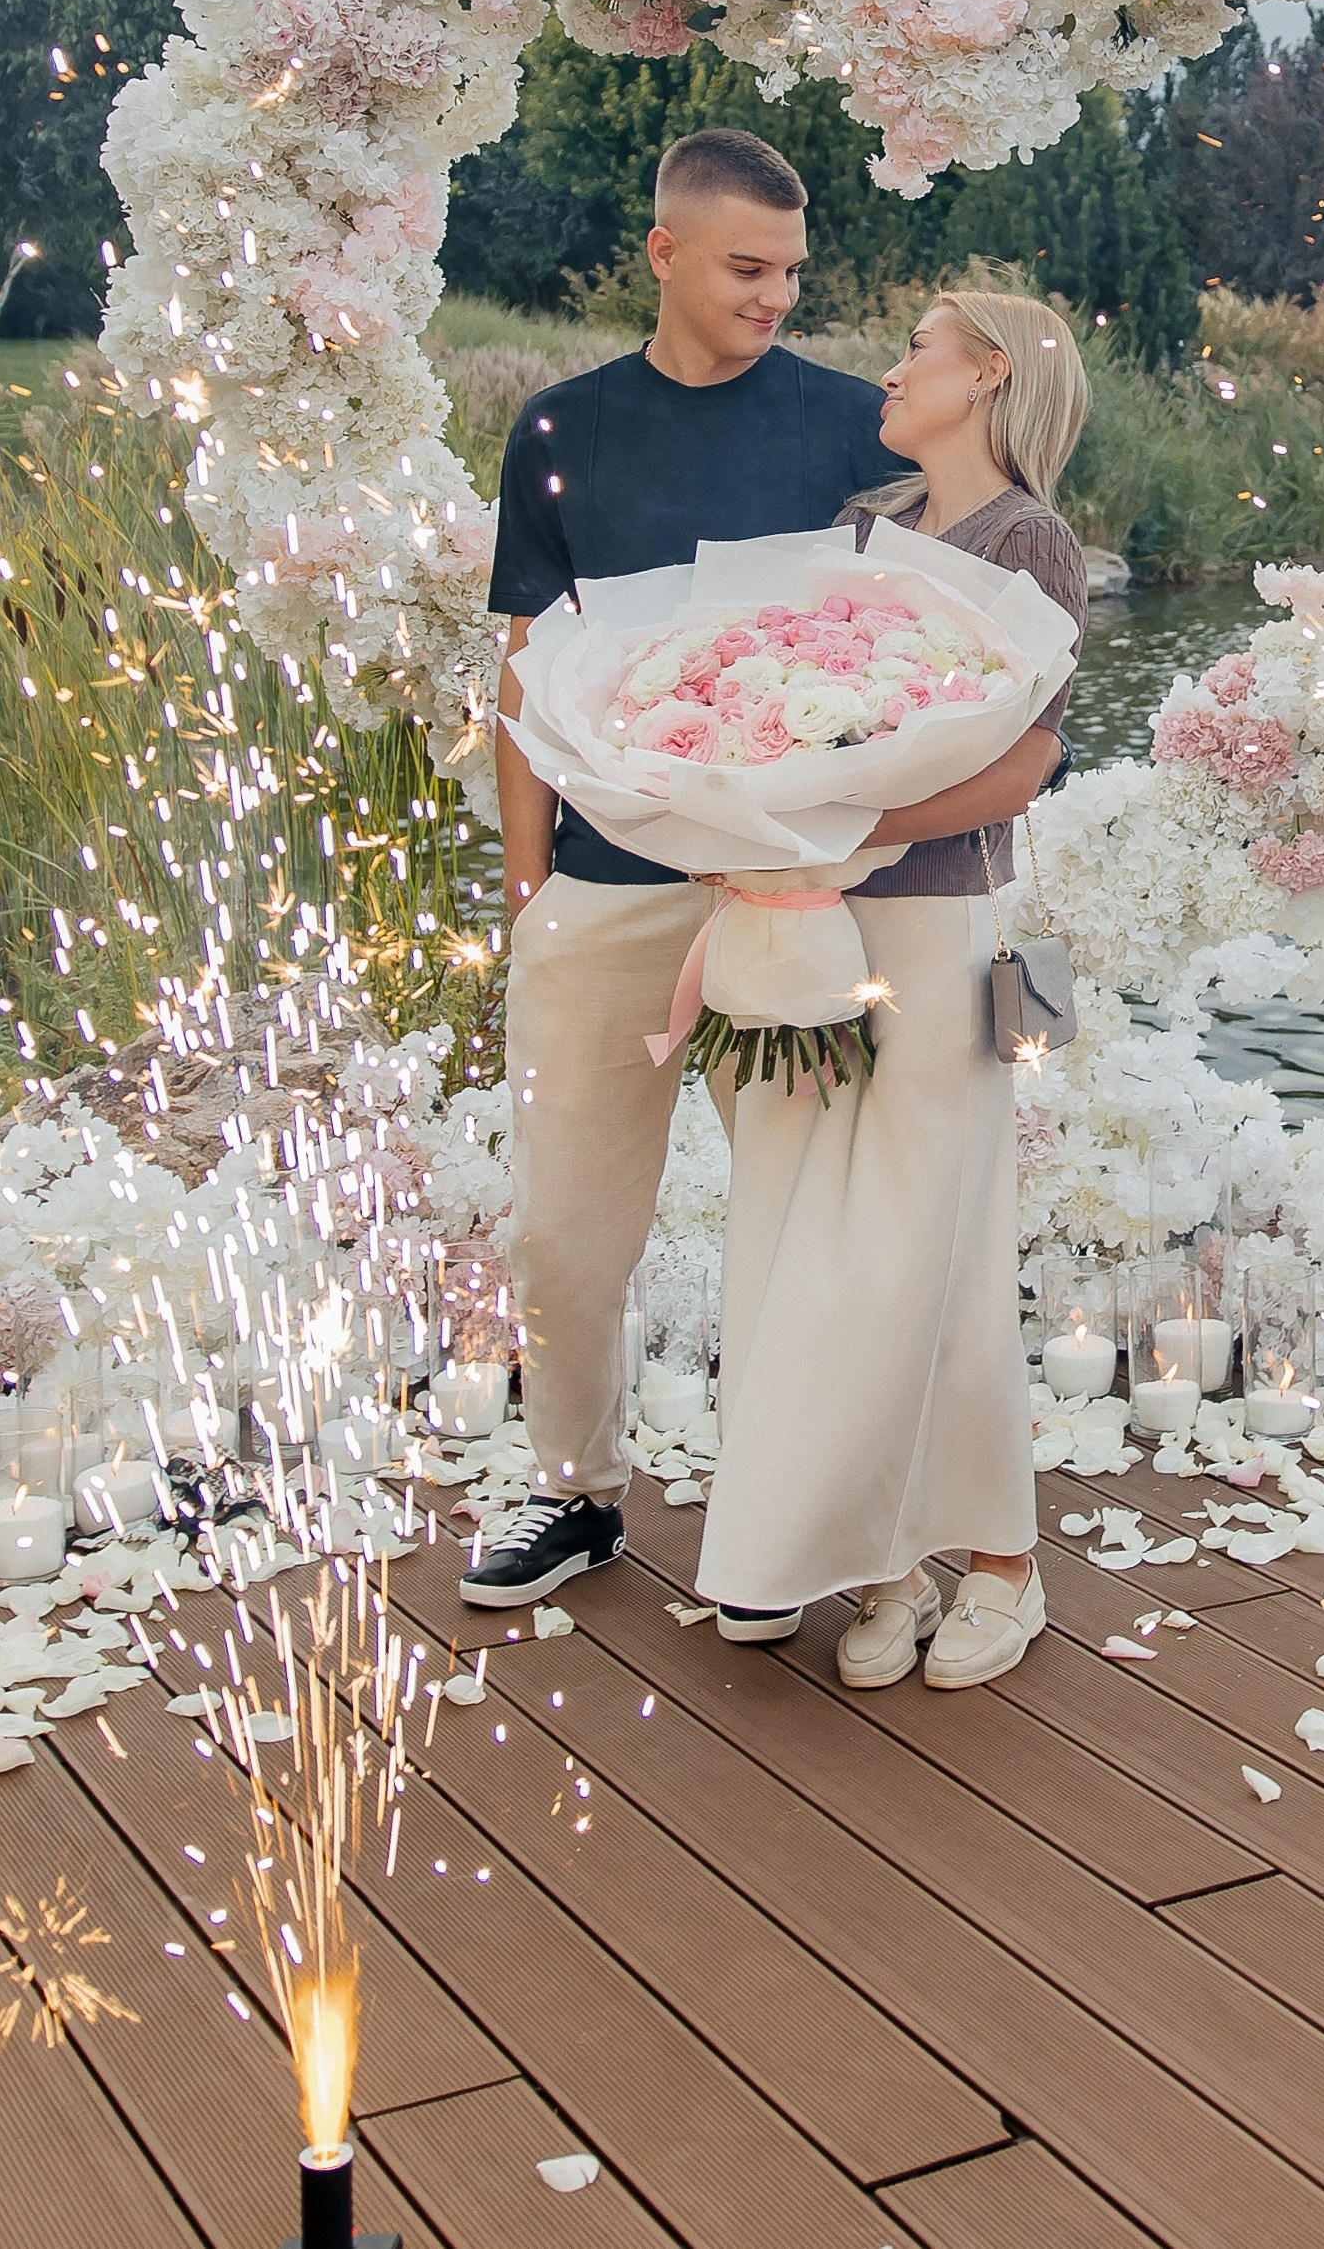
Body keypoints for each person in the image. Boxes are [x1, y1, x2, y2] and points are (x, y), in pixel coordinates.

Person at [462, 129, 891, 1612]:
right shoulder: (560, 428)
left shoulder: (853, 425)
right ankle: (575, 1493)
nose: (777, 295)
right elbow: (525, 674)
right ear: (662, 252)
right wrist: (533, 893)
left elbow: (909, 644)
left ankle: (784, 1527)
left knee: (798, 1212)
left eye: (793, 271)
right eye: (746, 267)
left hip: (783, 897)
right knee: (564, 1228)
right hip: (603, 888)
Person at [693, 287, 1091, 1690]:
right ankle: (885, 1555)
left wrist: (856, 829)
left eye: (919, 346)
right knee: (820, 1240)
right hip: (810, 927)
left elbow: (1025, 759)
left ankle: (1004, 1564)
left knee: (935, 1244)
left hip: (932, 929)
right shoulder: (867, 528)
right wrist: (761, 817)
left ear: (987, 373)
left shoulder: (1028, 540)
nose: (893, 365)